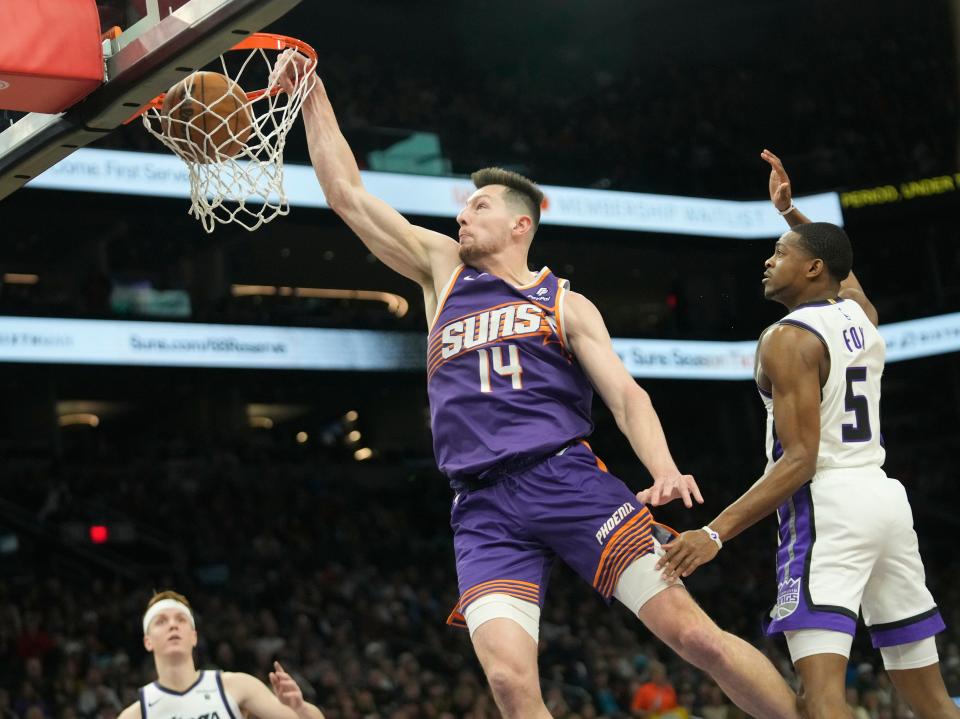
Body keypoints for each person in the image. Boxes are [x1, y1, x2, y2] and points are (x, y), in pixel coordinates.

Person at [276, 55, 800, 719]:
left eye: (478, 205)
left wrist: (663, 467)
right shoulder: (442, 272)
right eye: (464, 206)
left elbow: (626, 395)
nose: (462, 216)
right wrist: (314, 99)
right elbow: (347, 194)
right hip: (482, 506)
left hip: (568, 481)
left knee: (695, 636)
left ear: (520, 224)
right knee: (509, 684)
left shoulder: (566, 303)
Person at [658, 149, 958, 719]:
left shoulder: (787, 337)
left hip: (829, 509)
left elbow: (799, 460)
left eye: (780, 253)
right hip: (886, 500)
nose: (768, 263)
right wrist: (793, 218)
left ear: (814, 269)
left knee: (820, 700)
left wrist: (713, 534)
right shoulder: (859, 320)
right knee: (933, 699)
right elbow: (851, 286)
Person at [117, 591, 325, 719]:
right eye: (161, 621)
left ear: (194, 636)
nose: (172, 625)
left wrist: (300, 708)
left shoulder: (235, 686)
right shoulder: (136, 714)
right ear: (148, 641)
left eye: (181, 619)